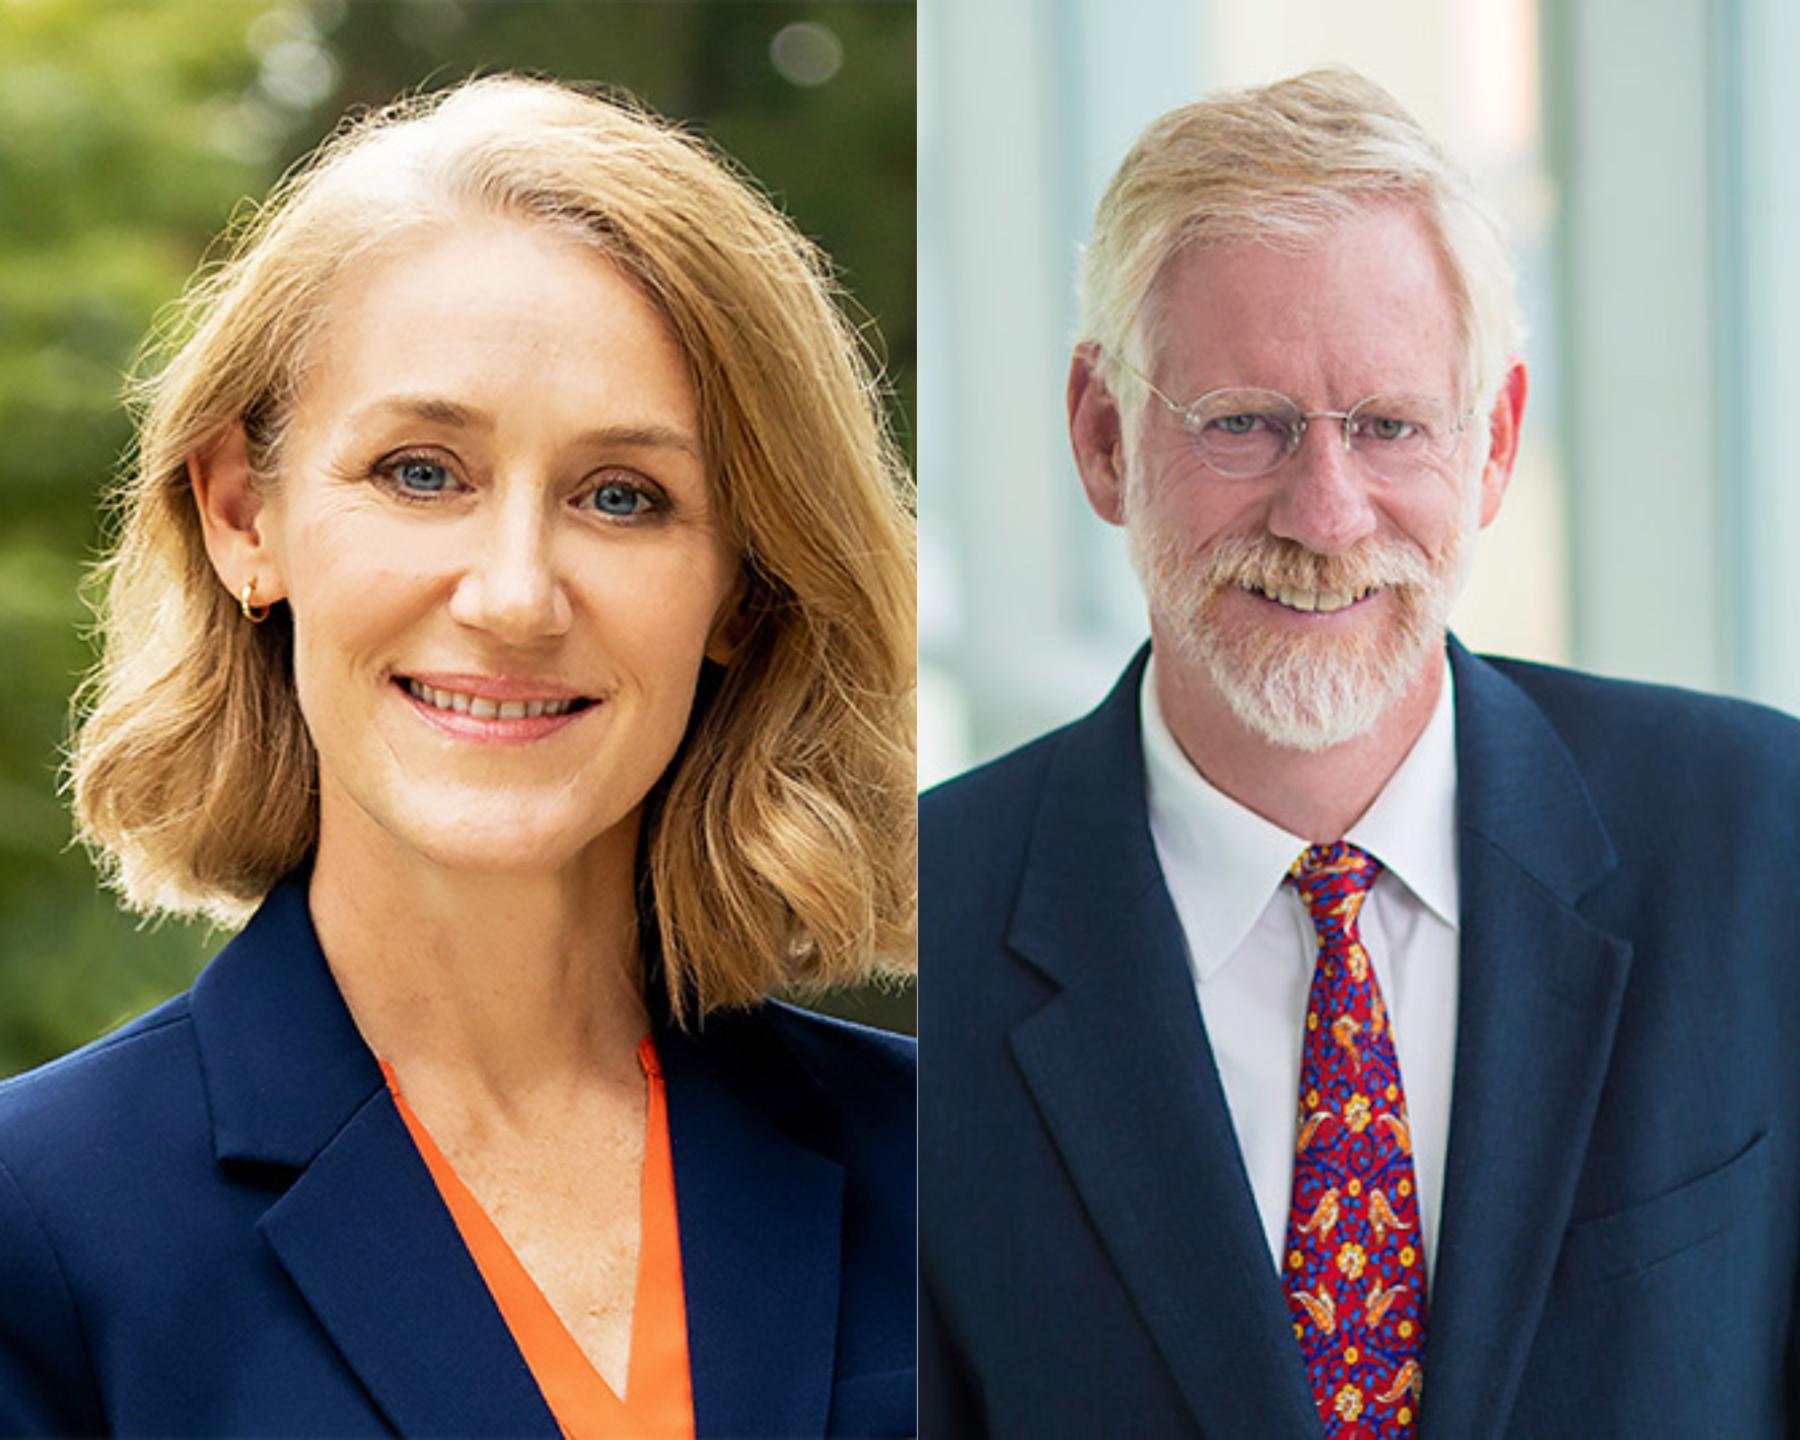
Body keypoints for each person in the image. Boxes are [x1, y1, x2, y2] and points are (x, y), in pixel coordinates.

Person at [0, 75, 915, 1439]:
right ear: (247, 517)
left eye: (624, 497)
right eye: (423, 471)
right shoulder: (38, 1219)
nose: (513, 596)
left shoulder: (960, 1166)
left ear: (741, 590)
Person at [920, 66, 1800, 1439]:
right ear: (1103, 438)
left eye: (1390, 426)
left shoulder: (1763, 840)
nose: (1327, 515)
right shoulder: (922, 936)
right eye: (1244, 425)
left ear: (1494, 441)